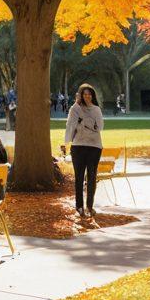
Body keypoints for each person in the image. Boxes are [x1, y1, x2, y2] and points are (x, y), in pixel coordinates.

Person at [64, 84, 103, 218]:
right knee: (79, 178)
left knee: (92, 177)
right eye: (84, 94)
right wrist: (76, 106)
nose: (87, 96)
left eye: (89, 94)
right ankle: (79, 207)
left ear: (92, 96)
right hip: (78, 146)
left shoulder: (96, 109)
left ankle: (90, 206)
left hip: (94, 147)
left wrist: (85, 123)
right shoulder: (75, 109)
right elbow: (70, 125)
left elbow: (100, 127)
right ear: (80, 95)